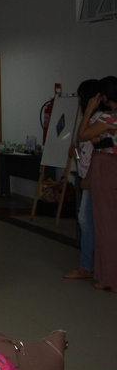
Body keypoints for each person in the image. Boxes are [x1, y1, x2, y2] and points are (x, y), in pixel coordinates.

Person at [77, 75, 117, 292]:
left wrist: (91, 108)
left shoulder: (109, 118)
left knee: (105, 225)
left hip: (107, 169)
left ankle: (109, 277)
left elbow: (82, 134)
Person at [64, 79, 102, 280]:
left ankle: (87, 265)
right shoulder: (90, 119)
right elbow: (84, 143)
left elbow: (99, 151)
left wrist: (88, 177)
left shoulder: (99, 119)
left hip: (92, 177)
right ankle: (90, 262)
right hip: (86, 173)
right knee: (87, 219)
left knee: (86, 220)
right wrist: (76, 151)